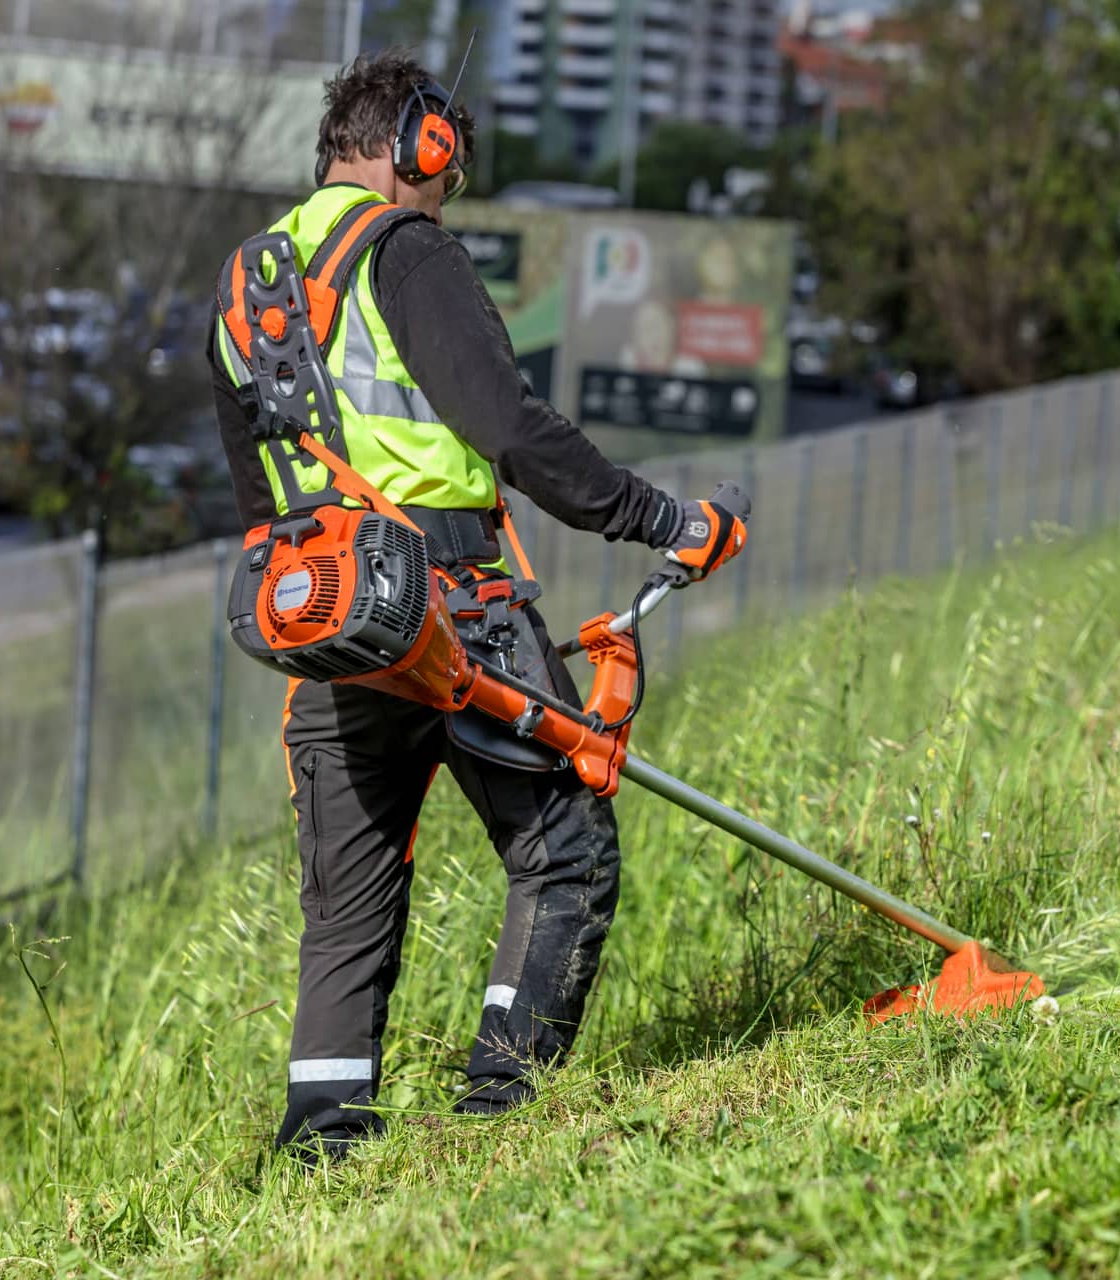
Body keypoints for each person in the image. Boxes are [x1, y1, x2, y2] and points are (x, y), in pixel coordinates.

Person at [205, 49, 746, 1164]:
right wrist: (663, 520)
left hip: (332, 617)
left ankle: (322, 1150)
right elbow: (509, 426)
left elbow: (259, 486)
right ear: (421, 147)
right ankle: (502, 1114)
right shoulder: (405, 252)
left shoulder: (249, 283)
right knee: (566, 849)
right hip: (456, 610)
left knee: (346, 907)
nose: (447, 191)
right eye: (445, 168)